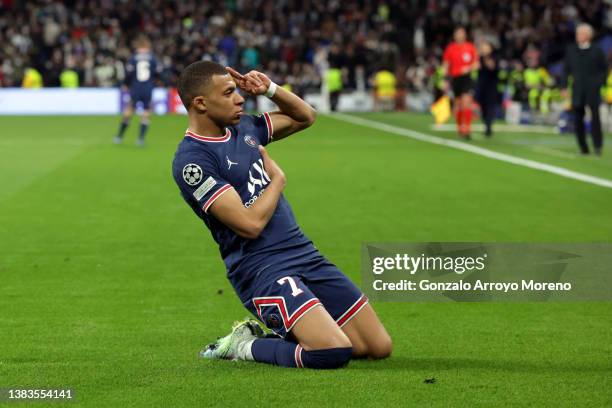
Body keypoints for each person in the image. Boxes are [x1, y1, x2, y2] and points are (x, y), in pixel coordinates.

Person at [171, 61, 392, 369]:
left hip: (303, 252)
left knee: (377, 346)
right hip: (261, 269)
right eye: (230, 92)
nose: (240, 98)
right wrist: (277, 181)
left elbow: (306, 116)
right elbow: (249, 224)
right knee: (331, 352)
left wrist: (271, 89)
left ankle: (301, 331)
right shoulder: (193, 162)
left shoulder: (244, 128)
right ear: (201, 103)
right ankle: (244, 345)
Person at [562, 23, 608, 155]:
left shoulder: (597, 50)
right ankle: (583, 147)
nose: (578, 36)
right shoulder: (571, 50)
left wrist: (598, 83)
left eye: (581, 33)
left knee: (595, 119)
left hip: (593, 90)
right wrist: (564, 86)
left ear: (588, 36)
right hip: (577, 90)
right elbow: (566, 70)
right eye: (577, 33)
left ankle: (597, 146)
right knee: (578, 119)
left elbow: (603, 70)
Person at [114, 36, 159, 146]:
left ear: (138, 46)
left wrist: (126, 84)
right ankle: (140, 139)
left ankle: (119, 136)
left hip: (135, 87)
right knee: (146, 111)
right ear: (147, 46)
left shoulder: (133, 58)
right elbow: (157, 73)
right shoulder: (152, 58)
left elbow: (128, 73)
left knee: (129, 109)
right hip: (148, 88)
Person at [442, 27, 479, 139]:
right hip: (455, 79)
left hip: (466, 78)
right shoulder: (450, 48)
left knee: (466, 102)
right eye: (457, 33)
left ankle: (466, 129)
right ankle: (460, 128)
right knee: (458, 104)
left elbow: (476, 63)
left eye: (461, 33)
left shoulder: (470, 47)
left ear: (465, 35)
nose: (459, 35)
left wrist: (467, 68)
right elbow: (445, 64)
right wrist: (444, 79)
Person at [476, 41, 499, 137]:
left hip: (491, 86)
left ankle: (488, 127)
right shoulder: (479, 58)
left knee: (490, 106)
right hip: (481, 85)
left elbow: (492, 67)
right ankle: (486, 123)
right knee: (483, 107)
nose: (484, 49)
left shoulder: (494, 57)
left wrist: (485, 58)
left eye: (486, 47)